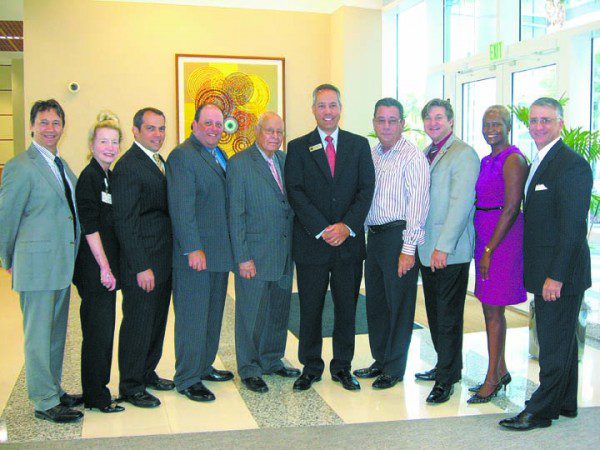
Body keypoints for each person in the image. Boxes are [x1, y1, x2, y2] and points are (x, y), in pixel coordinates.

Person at [500, 97, 592, 430]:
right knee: (562, 339)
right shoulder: (539, 160)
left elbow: (572, 227)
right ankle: (564, 402)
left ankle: (539, 411)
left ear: (560, 123)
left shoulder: (571, 164)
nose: (539, 126)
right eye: (534, 121)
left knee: (552, 343)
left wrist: (556, 276)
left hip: (560, 274)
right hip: (547, 270)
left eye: (546, 120)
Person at [285, 84, 375, 392]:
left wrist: (346, 226)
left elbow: (366, 190)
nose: (328, 111)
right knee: (310, 308)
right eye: (322, 105)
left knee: (346, 308)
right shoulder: (298, 147)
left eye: (333, 105)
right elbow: (295, 191)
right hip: (312, 244)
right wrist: (323, 228)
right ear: (313, 109)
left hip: (348, 244)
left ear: (340, 108)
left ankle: (342, 367)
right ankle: (310, 367)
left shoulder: (358, 145)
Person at [0, 99, 83, 423]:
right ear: (32, 126)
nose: (50, 129)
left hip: (60, 264)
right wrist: (7, 257)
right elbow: (6, 217)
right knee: (38, 336)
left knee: (55, 334)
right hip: (36, 266)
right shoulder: (21, 166)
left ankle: (53, 389)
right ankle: (43, 401)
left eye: (56, 123)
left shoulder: (60, 164)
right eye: (44, 122)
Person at [354, 98, 429, 389]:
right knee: (376, 303)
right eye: (381, 120)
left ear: (402, 124)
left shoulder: (412, 157)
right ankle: (380, 359)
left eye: (392, 120)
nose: (386, 126)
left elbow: (418, 205)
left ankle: (395, 368)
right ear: (374, 123)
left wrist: (408, 250)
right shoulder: (372, 154)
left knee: (399, 305)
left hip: (399, 238)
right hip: (374, 238)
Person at [227, 111, 300, 393]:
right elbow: (235, 214)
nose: (275, 136)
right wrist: (242, 257)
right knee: (251, 314)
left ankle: (271, 359)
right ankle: (249, 367)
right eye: (270, 131)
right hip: (254, 255)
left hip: (283, 253)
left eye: (279, 132)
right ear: (257, 131)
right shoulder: (240, 164)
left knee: (278, 311)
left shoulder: (285, 160)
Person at [166, 103, 234, 403]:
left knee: (212, 314)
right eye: (208, 123)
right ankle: (187, 377)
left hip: (219, 254)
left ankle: (204, 366)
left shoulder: (220, 155)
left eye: (218, 124)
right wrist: (193, 247)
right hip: (196, 255)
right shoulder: (183, 156)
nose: (214, 129)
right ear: (194, 125)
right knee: (193, 317)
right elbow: (182, 207)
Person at [416, 98, 480, 404]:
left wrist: (443, 247)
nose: (433, 122)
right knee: (434, 312)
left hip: (449, 252)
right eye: (429, 118)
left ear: (451, 121)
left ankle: (446, 380)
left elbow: (461, 203)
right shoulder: (427, 152)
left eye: (439, 117)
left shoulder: (463, 153)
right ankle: (447, 365)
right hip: (426, 248)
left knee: (448, 316)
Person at [112, 107, 174, 408]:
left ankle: (147, 372)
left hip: (162, 259)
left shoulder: (158, 161)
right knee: (138, 323)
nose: (157, 134)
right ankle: (131, 385)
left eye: (161, 128)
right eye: (150, 128)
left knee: (156, 321)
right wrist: (141, 266)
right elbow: (125, 222)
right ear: (135, 131)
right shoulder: (128, 166)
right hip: (143, 263)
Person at [467, 106, 527, 404]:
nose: (491, 129)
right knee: (489, 307)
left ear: (508, 127)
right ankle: (500, 369)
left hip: (502, 239)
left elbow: (512, 207)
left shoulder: (513, 159)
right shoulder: (486, 159)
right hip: (485, 235)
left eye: (496, 124)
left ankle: (491, 378)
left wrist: (490, 249)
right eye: (486, 124)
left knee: (494, 308)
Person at [72, 111, 124, 413]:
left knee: (102, 331)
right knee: (97, 333)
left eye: (114, 142)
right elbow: (89, 227)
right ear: (92, 144)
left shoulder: (108, 176)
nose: (109, 147)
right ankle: (96, 396)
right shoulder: (90, 178)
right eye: (103, 141)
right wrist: (104, 268)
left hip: (105, 268)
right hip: (95, 269)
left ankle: (96, 389)